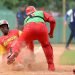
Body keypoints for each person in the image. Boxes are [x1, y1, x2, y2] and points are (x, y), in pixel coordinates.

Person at [7, 6, 56, 71]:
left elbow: (30, 44)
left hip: (28, 28)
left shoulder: (26, 19)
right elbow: (52, 21)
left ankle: (14, 53)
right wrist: (51, 33)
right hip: (41, 28)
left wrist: (31, 56)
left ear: (27, 14)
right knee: (46, 45)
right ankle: (51, 66)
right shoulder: (41, 12)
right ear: (35, 10)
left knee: (19, 43)